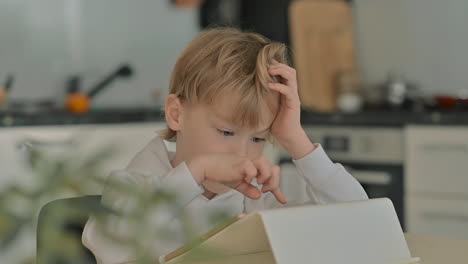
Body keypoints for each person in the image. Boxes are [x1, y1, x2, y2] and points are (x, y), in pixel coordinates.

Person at [82, 28, 368, 264]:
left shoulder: (255, 201)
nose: (241, 154)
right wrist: (197, 170)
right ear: (176, 114)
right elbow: (114, 247)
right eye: (226, 132)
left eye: (257, 138)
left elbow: (361, 226)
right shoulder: (130, 187)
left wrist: (295, 138)